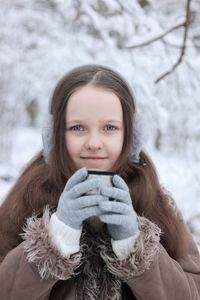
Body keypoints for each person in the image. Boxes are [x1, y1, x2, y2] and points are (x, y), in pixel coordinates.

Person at [0, 65, 199, 300]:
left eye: (109, 128)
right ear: (54, 136)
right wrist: (53, 240)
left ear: (130, 136)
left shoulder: (158, 202)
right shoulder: (27, 197)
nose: (94, 142)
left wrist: (136, 248)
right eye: (77, 128)